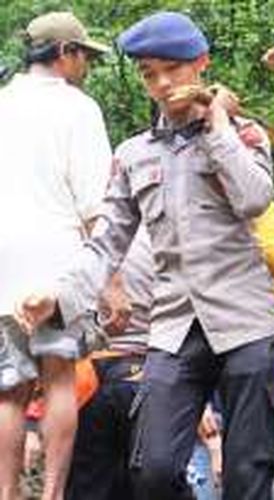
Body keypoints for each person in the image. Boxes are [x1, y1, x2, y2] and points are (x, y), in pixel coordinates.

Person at [15, 11, 274, 500]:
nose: (162, 84)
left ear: (201, 64)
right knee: (154, 469)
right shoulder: (133, 154)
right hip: (174, 329)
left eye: (173, 69)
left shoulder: (243, 135)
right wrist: (58, 298)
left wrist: (219, 125)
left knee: (250, 475)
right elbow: (106, 243)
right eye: (149, 74)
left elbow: (254, 199)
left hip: (246, 320)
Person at [0, 11, 111, 500]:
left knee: (9, 388)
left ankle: (6, 493)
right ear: (64, 54)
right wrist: (110, 280)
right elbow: (95, 204)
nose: (85, 64)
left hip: (3, 262)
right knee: (60, 376)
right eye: (83, 54)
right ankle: (50, 495)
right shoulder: (77, 108)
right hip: (59, 261)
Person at [64, 227, 153, 500]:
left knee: (88, 483)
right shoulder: (162, 231)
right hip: (149, 368)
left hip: (86, 371)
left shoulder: (77, 231)